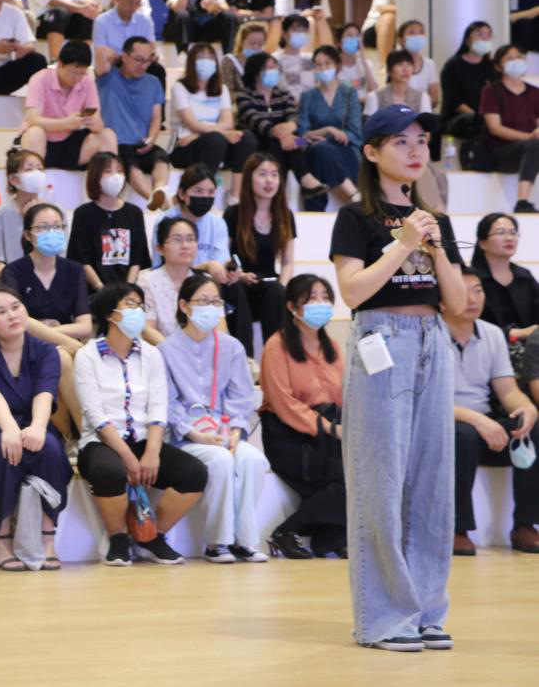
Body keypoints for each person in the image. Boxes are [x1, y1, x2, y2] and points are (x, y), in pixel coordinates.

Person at [330, 103, 465, 651]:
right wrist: (404, 243)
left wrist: (434, 247)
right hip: (381, 338)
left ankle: (426, 609)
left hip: (434, 339)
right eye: (401, 141)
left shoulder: (436, 220)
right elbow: (353, 292)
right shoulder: (355, 216)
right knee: (379, 481)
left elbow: (458, 304)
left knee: (433, 483)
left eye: (421, 141)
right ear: (371, 151)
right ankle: (384, 617)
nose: (415, 150)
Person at [74, 282, 209, 566]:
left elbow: (158, 407)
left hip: (144, 439)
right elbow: (96, 415)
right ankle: (118, 538)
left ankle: (150, 537)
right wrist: (127, 457)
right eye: (130, 305)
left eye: (140, 306)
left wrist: (152, 453)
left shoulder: (152, 354)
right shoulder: (87, 356)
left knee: (194, 473)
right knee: (108, 472)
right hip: (102, 442)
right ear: (110, 314)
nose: (138, 312)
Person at [0, 284, 72, 571]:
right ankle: (2, 537)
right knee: (1, 450)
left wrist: (38, 428)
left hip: (33, 422)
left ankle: (48, 538)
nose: (11, 315)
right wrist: (9, 429)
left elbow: (45, 393)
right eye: (1, 312)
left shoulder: (46, 351)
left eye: (16, 307)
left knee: (50, 448)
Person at [161, 274, 268, 562]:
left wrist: (235, 432)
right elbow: (167, 402)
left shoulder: (232, 347)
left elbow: (241, 397)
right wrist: (193, 433)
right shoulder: (166, 350)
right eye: (203, 301)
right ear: (184, 306)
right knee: (220, 461)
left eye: (215, 302)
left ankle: (245, 541)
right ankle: (217, 542)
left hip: (224, 431)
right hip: (186, 436)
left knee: (253, 460)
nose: (210, 308)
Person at [443, 268, 539, 556]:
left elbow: (507, 390)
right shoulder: (428, 333)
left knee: (533, 427)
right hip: (444, 423)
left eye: (478, 290)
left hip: (484, 423)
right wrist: (477, 420)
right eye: (464, 291)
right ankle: (457, 528)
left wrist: (527, 409)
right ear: (443, 299)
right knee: (464, 435)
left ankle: (524, 524)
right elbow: (426, 401)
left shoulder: (492, 333)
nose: (473, 299)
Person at [258, 274, 347, 559]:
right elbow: (283, 403)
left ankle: (328, 537)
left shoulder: (333, 346)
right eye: (311, 299)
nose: (320, 304)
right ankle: (287, 531)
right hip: (289, 434)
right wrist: (328, 428)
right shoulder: (276, 346)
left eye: (325, 298)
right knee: (346, 476)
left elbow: (344, 395)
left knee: (362, 469)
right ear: (292, 307)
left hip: (329, 428)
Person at [1, 203, 91, 439]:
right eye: (43, 227)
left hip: (66, 343)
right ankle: (84, 433)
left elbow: (85, 325)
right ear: (28, 235)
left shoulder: (74, 270)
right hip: (25, 346)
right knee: (60, 358)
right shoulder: (14, 271)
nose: (52, 232)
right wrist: (65, 340)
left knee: (61, 357)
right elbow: (18, 321)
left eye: (57, 227)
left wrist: (50, 331)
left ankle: (71, 438)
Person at [151, 166, 256, 356]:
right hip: (176, 276)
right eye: (198, 191)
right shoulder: (166, 221)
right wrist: (205, 266)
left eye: (210, 192)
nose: (205, 197)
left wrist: (230, 272)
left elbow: (220, 263)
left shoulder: (217, 223)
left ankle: (243, 356)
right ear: (182, 194)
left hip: (209, 281)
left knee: (235, 287)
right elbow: (163, 263)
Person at [169, 43, 257, 204]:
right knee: (216, 139)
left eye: (210, 58)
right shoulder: (179, 87)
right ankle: (198, 193)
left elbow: (228, 122)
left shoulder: (222, 89)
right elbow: (192, 124)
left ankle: (235, 197)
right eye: (201, 57)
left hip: (211, 143)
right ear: (191, 62)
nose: (206, 61)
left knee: (246, 137)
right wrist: (220, 133)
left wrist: (198, 135)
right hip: (185, 147)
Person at [224, 153, 297, 346]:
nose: (269, 180)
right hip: (239, 282)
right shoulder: (233, 213)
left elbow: (288, 262)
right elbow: (224, 256)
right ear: (249, 178)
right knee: (235, 290)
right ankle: (245, 357)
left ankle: (276, 354)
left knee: (278, 291)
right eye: (262, 174)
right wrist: (240, 275)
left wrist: (282, 284)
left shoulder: (285, 215)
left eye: (274, 174)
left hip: (268, 285)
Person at [236, 52, 327, 202]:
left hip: (287, 142)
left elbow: (294, 117)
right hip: (259, 143)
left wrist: (290, 126)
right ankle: (304, 178)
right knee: (280, 145)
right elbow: (256, 121)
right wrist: (282, 134)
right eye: (268, 68)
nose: (273, 71)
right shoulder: (244, 95)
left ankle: (281, 194)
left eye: (275, 67)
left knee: (301, 142)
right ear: (256, 72)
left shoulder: (283, 94)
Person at [95, 35, 171, 207]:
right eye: (138, 59)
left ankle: (160, 189)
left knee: (161, 158)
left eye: (147, 60)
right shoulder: (108, 77)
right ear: (124, 56)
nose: (142, 65)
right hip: (118, 144)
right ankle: (152, 198)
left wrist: (152, 138)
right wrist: (119, 59)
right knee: (131, 166)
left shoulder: (153, 82)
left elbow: (156, 117)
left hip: (142, 142)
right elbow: (101, 52)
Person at [18, 41, 116, 171]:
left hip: (70, 143)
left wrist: (94, 123)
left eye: (81, 73)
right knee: (35, 133)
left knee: (107, 135)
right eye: (73, 73)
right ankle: (35, 178)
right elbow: (33, 120)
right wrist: (66, 123)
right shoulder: (40, 79)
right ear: (60, 64)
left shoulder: (87, 82)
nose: (77, 78)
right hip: (43, 142)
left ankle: (107, 180)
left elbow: (98, 121)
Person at [366, 50, 442, 209]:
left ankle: (433, 209)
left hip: (416, 162)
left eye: (409, 64)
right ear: (389, 70)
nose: (405, 69)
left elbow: (426, 135)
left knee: (432, 174)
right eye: (400, 64)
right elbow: (370, 134)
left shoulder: (422, 96)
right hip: (385, 155)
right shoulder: (375, 97)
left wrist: (416, 142)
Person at [68, 151, 152, 290]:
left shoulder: (134, 213)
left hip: (128, 290)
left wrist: (128, 289)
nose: (116, 176)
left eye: (119, 171)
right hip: (95, 291)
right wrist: (100, 288)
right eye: (108, 171)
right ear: (95, 176)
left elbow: (138, 258)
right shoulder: (83, 214)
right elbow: (81, 259)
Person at [297, 45, 363, 206]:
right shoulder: (307, 96)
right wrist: (328, 130)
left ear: (337, 65)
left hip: (345, 148)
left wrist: (337, 136)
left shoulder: (349, 92)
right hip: (314, 148)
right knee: (320, 149)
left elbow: (356, 134)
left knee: (323, 151)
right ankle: (353, 193)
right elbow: (300, 138)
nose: (322, 68)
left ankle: (315, 209)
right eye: (318, 65)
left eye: (327, 63)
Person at [480, 44, 539, 211]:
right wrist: (529, 137)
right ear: (499, 66)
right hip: (501, 151)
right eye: (510, 58)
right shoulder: (491, 91)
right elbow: (495, 128)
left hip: (531, 147)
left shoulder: (535, 92)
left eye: (519, 57)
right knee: (535, 145)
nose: (516, 61)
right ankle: (522, 202)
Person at [472, 213, 539, 342]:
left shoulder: (525, 277)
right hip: (485, 345)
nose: (509, 238)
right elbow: (469, 322)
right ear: (483, 243)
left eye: (513, 233)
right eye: (501, 232)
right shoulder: (472, 279)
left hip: (528, 348)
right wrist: (513, 333)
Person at [0, 148, 47, 278]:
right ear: (13, 179)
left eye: (40, 169)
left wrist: (36, 219)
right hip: (10, 282)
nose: (37, 173)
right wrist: (15, 281)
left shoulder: (54, 212)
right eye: (29, 169)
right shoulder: (1, 214)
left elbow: (58, 255)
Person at [92, 0, 166, 88]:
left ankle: (157, 100)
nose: (133, 7)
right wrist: (126, 59)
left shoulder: (145, 20)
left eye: (137, 3)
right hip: (116, 64)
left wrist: (150, 56)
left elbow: (151, 48)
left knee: (157, 70)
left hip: (140, 63)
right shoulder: (102, 21)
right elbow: (101, 53)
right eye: (129, 2)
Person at [138, 217, 198, 344]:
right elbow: (148, 330)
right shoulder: (147, 282)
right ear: (160, 248)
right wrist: (174, 352)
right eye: (177, 240)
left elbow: (219, 327)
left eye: (190, 239)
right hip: (162, 351)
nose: (185, 246)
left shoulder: (205, 282)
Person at [440, 21, 496, 154]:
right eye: (480, 34)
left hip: (484, 117)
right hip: (458, 118)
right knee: (477, 123)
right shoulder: (453, 65)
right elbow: (455, 102)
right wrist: (480, 117)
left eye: (488, 34)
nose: (485, 38)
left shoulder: (491, 66)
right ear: (467, 40)